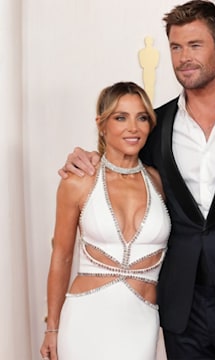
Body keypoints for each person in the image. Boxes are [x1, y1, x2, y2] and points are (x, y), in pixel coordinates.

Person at [59, 1, 215, 358]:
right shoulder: (156, 125)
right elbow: (125, 167)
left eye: (195, 46)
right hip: (182, 313)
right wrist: (89, 157)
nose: (183, 58)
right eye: (176, 47)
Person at [40, 82, 170, 360]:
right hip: (85, 319)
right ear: (101, 124)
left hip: (141, 321)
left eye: (142, 117)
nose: (133, 128)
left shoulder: (158, 181)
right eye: (120, 117)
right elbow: (61, 255)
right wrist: (52, 328)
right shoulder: (78, 180)